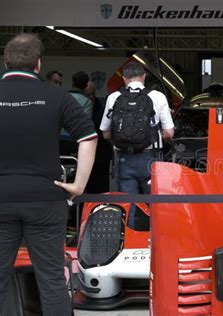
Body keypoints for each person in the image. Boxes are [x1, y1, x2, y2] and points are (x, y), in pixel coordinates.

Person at [0, 33, 97, 315]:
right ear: (38, 64)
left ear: (7, 62)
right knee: (52, 280)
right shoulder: (56, 95)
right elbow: (89, 137)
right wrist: (78, 184)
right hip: (45, 199)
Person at [100, 61, 174, 229]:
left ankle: (131, 243)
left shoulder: (114, 98)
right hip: (151, 159)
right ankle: (156, 241)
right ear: (144, 77)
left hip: (124, 159)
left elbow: (105, 133)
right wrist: (155, 134)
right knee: (156, 204)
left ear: (124, 78)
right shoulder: (157, 96)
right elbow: (169, 132)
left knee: (128, 206)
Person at [84, 81, 113, 193]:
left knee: (102, 184)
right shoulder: (81, 105)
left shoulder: (101, 105)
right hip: (87, 149)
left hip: (101, 150)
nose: (91, 97)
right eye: (88, 94)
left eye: (92, 94)